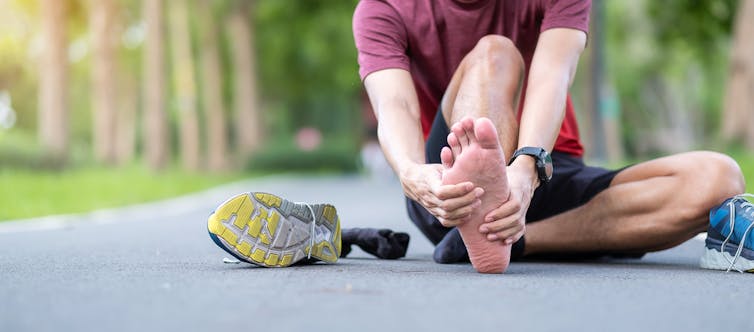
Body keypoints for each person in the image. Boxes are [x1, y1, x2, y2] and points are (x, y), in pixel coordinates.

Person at [352, 0, 748, 273]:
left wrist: (526, 170)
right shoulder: (381, 9)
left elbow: (553, 75)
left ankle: (514, 239)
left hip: (544, 171)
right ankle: (480, 206)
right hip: (448, 196)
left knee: (719, 180)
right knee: (496, 54)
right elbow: (395, 108)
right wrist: (411, 173)